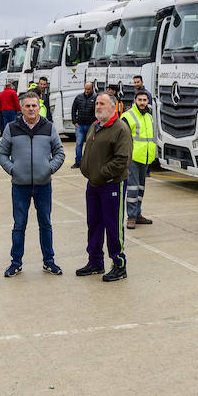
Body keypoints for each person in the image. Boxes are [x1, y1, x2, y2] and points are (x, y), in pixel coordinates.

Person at [0, 89, 64, 276]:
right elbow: (2, 154)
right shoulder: (11, 127)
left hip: (44, 185)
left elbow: (59, 152)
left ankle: (49, 261)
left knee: (45, 224)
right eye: (27, 106)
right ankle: (16, 262)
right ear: (21, 108)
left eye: (34, 105)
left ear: (39, 107)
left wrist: (49, 168)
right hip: (20, 186)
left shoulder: (48, 126)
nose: (31, 109)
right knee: (19, 225)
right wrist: (13, 169)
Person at [77, 92, 131, 282]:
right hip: (93, 185)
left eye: (102, 104)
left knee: (113, 226)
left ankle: (118, 264)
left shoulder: (120, 129)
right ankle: (95, 262)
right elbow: (88, 152)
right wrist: (87, 169)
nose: (97, 106)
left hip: (112, 185)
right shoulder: (95, 126)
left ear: (112, 107)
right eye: (97, 103)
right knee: (94, 224)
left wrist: (100, 173)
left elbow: (122, 160)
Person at [122, 91, 157, 229]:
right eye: (140, 100)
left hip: (146, 157)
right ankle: (131, 217)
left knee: (141, 188)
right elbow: (122, 138)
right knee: (132, 188)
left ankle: (137, 214)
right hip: (133, 158)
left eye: (145, 100)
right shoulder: (127, 116)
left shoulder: (149, 117)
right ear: (135, 100)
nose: (142, 102)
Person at [70, 81, 96, 168]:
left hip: (91, 126)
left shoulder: (96, 97)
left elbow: (98, 111)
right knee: (78, 144)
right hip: (80, 125)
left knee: (90, 145)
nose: (86, 91)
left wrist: (96, 123)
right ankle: (78, 162)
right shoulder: (79, 97)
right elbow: (73, 109)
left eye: (88, 89)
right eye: (85, 89)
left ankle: (89, 163)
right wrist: (74, 121)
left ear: (92, 89)